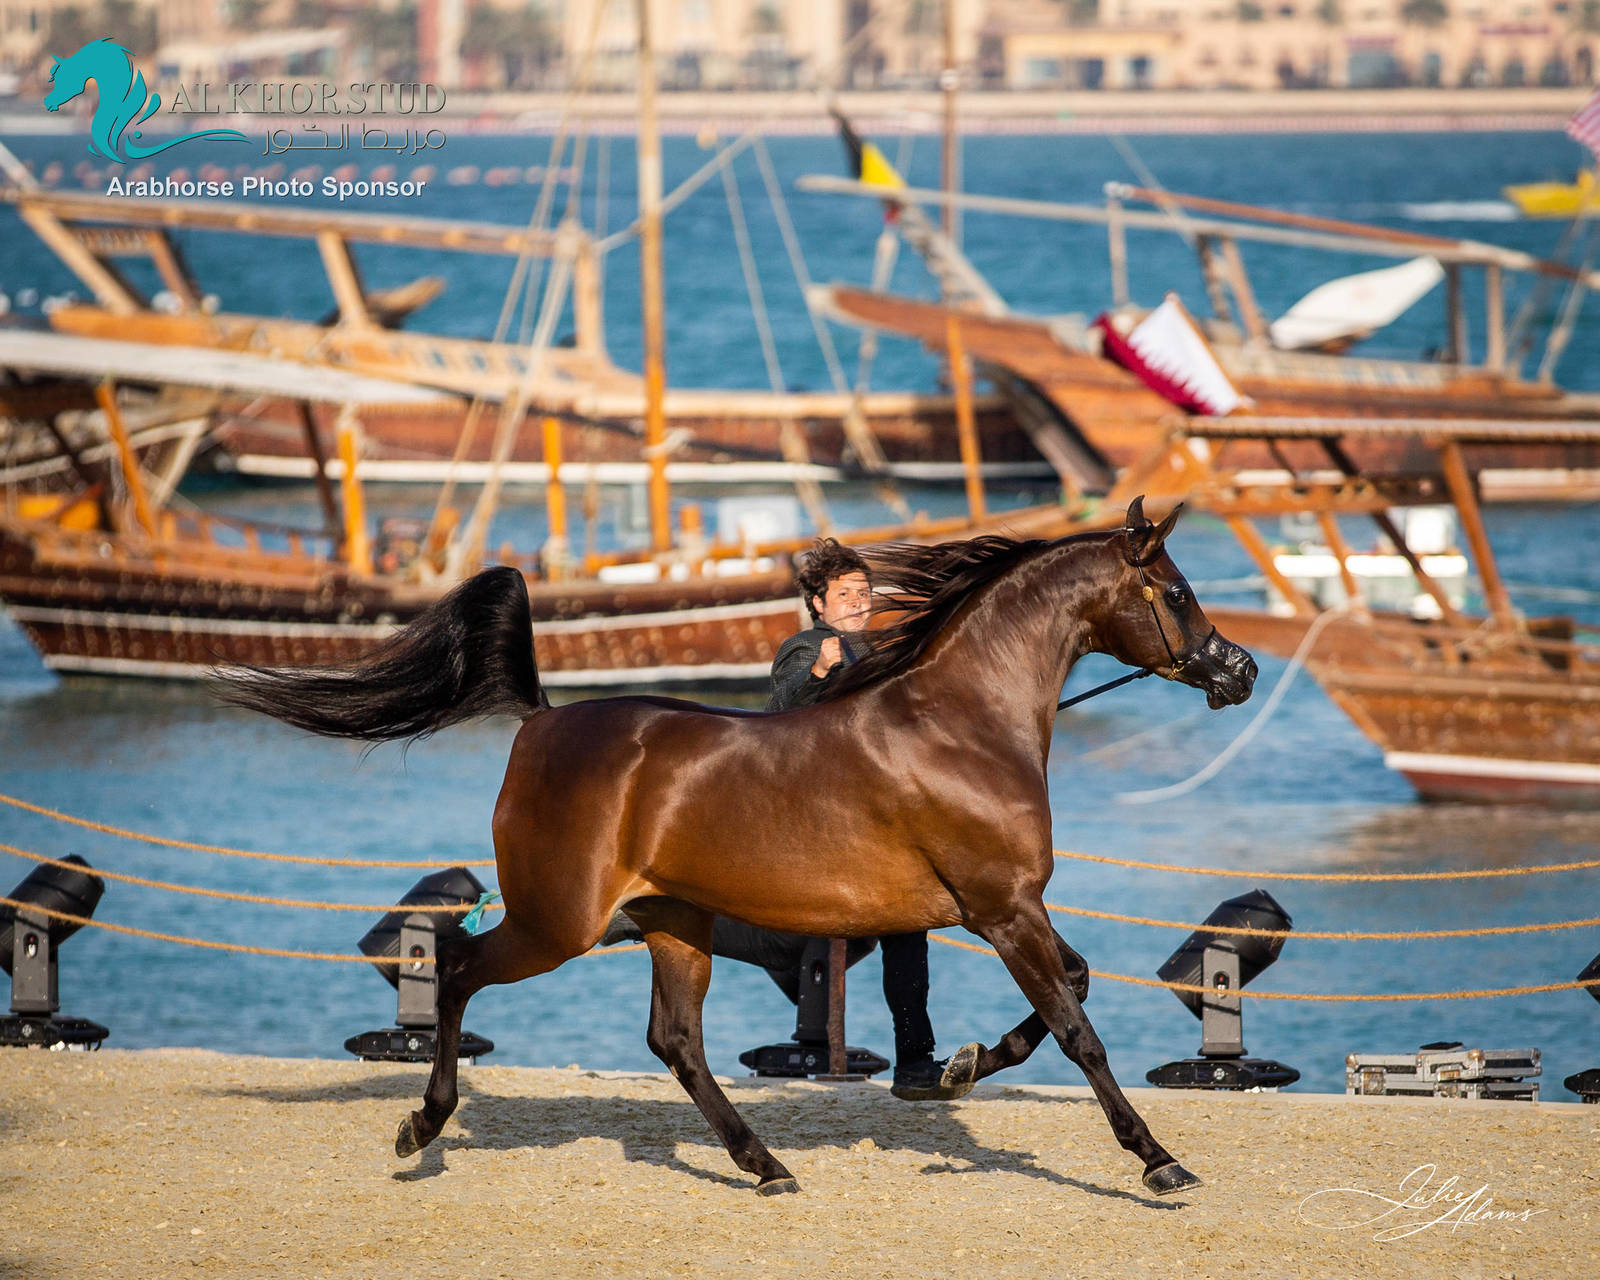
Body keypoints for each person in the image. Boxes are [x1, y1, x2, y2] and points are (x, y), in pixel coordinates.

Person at [756, 538, 979, 1101]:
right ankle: (913, 1061)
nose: (859, 603)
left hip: (885, 819)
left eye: (864, 593)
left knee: (911, 937)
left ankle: (916, 1062)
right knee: (903, 935)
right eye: (845, 595)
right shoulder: (806, 646)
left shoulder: (883, 651)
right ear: (818, 603)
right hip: (829, 822)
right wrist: (818, 673)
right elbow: (775, 718)